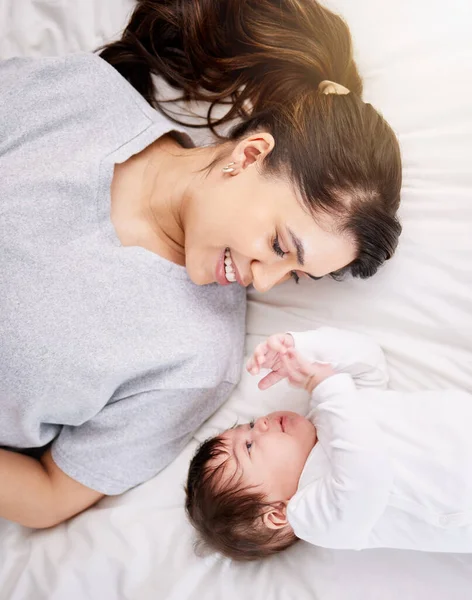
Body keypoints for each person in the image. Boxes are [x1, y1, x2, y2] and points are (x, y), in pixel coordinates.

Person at [0, 0, 401, 528]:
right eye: (281, 246)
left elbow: (51, 495)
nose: (263, 278)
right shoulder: (79, 97)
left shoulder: (195, 359)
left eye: (295, 276)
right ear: (251, 154)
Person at [185, 327, 472, 560]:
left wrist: (298, 350)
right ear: (276, 513)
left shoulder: (325, 414)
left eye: (248, 425)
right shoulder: (314, 517)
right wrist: (323, 386)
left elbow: (369, 363)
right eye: (249, 446)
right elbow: (367, 479)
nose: (260, 424)